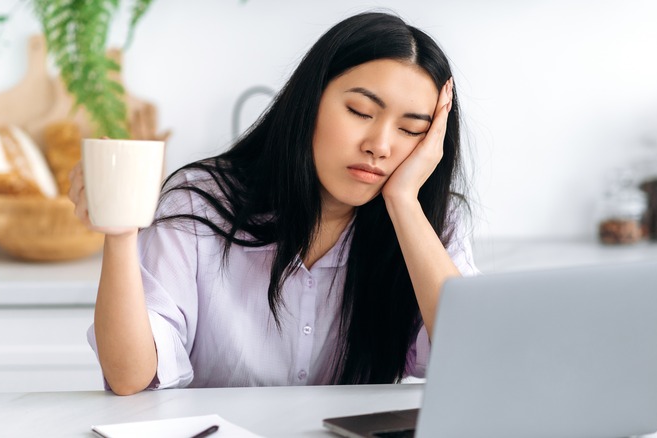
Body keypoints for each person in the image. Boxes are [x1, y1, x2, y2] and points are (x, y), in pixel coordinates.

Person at [69, 11, 478, 396]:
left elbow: (471, 358)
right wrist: (121, 234)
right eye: (360, 111)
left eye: (410, 130)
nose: (380, 146)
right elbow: (130, 378)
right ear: (309, 101)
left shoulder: (433, 225)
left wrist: (404, 203)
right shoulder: (201, 204)